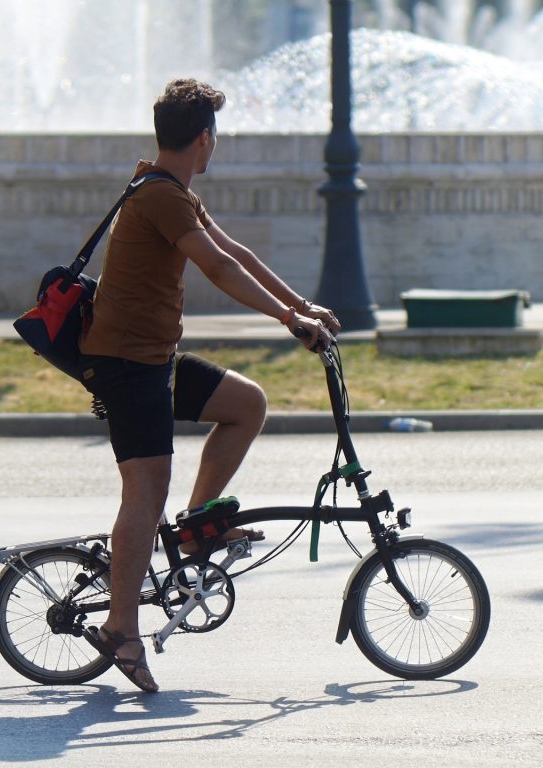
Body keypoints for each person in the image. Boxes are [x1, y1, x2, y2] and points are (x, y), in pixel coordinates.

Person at [77, 79, 339, 692]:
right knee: (145, 489)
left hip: (154, 359)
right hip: (127, 365)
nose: (215, 145)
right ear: (203, 139)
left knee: (246, 404)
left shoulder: (172, 191)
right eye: (214, 136)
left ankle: (197, 525)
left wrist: (303, 306)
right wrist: (286, 320)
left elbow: (235, 251)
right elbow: (216, 267)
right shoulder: (160, 196)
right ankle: (121, 628)